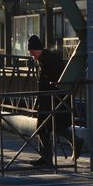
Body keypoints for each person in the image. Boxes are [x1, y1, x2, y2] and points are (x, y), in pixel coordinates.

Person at [27, 34, 66, 166]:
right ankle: (46, 157)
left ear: (38, 49)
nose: (32, 55)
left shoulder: (49, 60)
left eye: (32, 52)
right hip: (48, 99)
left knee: (43, 128)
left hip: (53, 99)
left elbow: (52, 80)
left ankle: (46, 158)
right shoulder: (43, 60)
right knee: (50, 127)